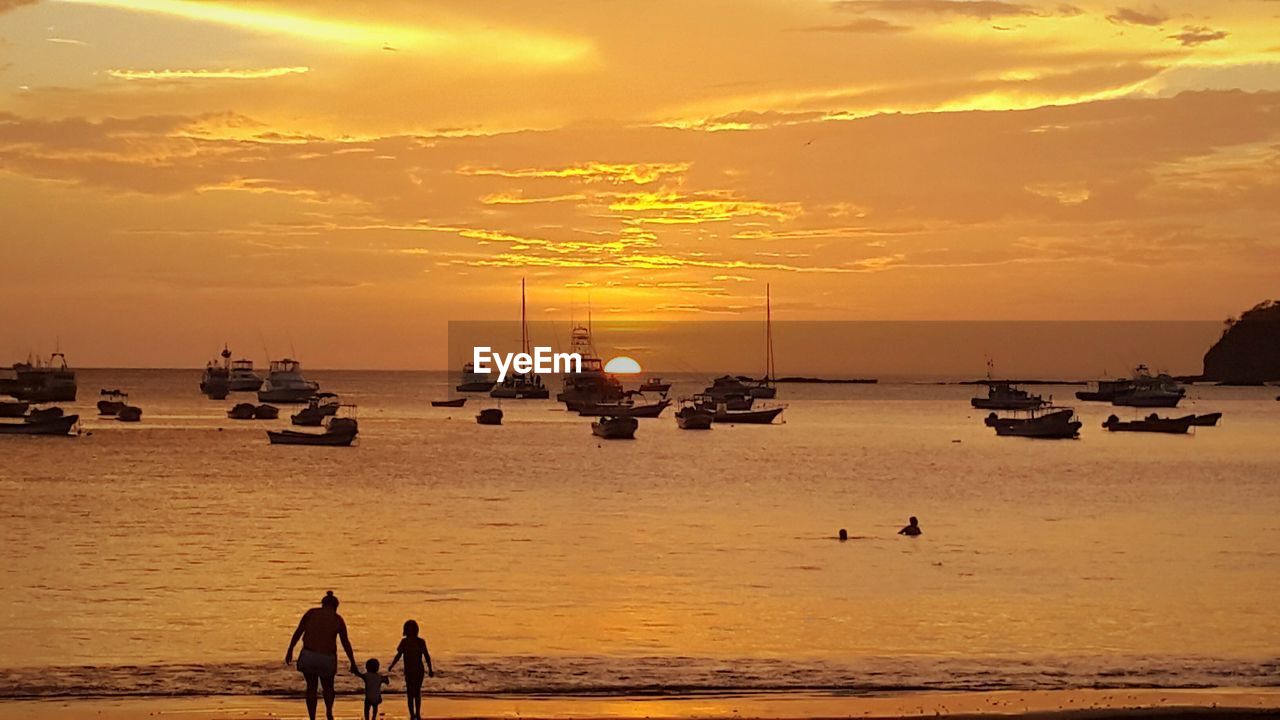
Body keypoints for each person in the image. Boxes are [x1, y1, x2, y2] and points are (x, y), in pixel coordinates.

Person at [285, 591, 360, 720]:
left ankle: (312, 717)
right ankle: (329, 712)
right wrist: (352, 662)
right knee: (328, 687)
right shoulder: (338, 619)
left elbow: (298, 632)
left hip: (308, 655)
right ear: (336, 606)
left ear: (323, 604)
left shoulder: (311, 613)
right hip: (327, 657)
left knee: (311, 687)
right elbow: (345, 643)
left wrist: (290, 649)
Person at [388, 619, 434, 720]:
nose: (410, 629)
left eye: (412, 627)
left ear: (416, 629)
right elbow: (398, 655)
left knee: (417, 692)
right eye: (408, 627)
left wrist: (430, 669)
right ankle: (412, 714)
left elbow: (426, 656)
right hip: (408, 670)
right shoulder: (404, 642)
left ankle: (417, 713)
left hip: (419, 669)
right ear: (405, 629)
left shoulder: (421, 642)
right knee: (410, 693)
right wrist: (392, 665)